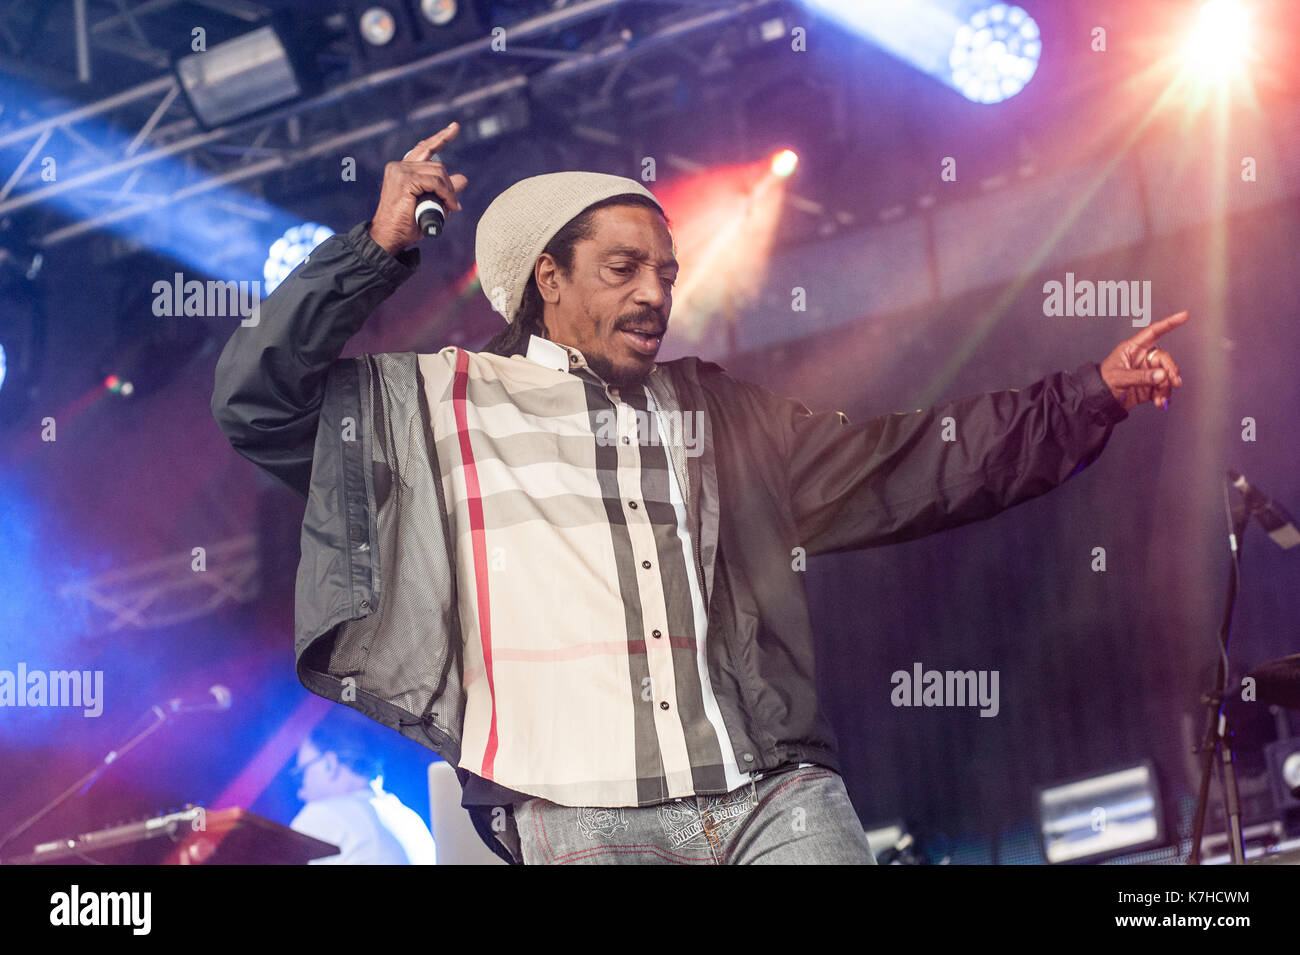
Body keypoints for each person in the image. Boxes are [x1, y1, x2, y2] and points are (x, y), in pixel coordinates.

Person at [212, 120, 1187, 865]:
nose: (653, 294)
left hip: (768, 792)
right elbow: (256, 399)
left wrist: (1084, 396)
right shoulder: (437, 401)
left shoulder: (717, 415)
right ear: (547, 277)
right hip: (574, 812)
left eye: (666, 273)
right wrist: (374, 249)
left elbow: (913, 460)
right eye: (623, 268)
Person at [289, 718, 437, 865]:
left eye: (301, 774)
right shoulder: (413, 822)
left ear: (329, 764)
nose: (301, 793)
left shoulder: (321, 814)